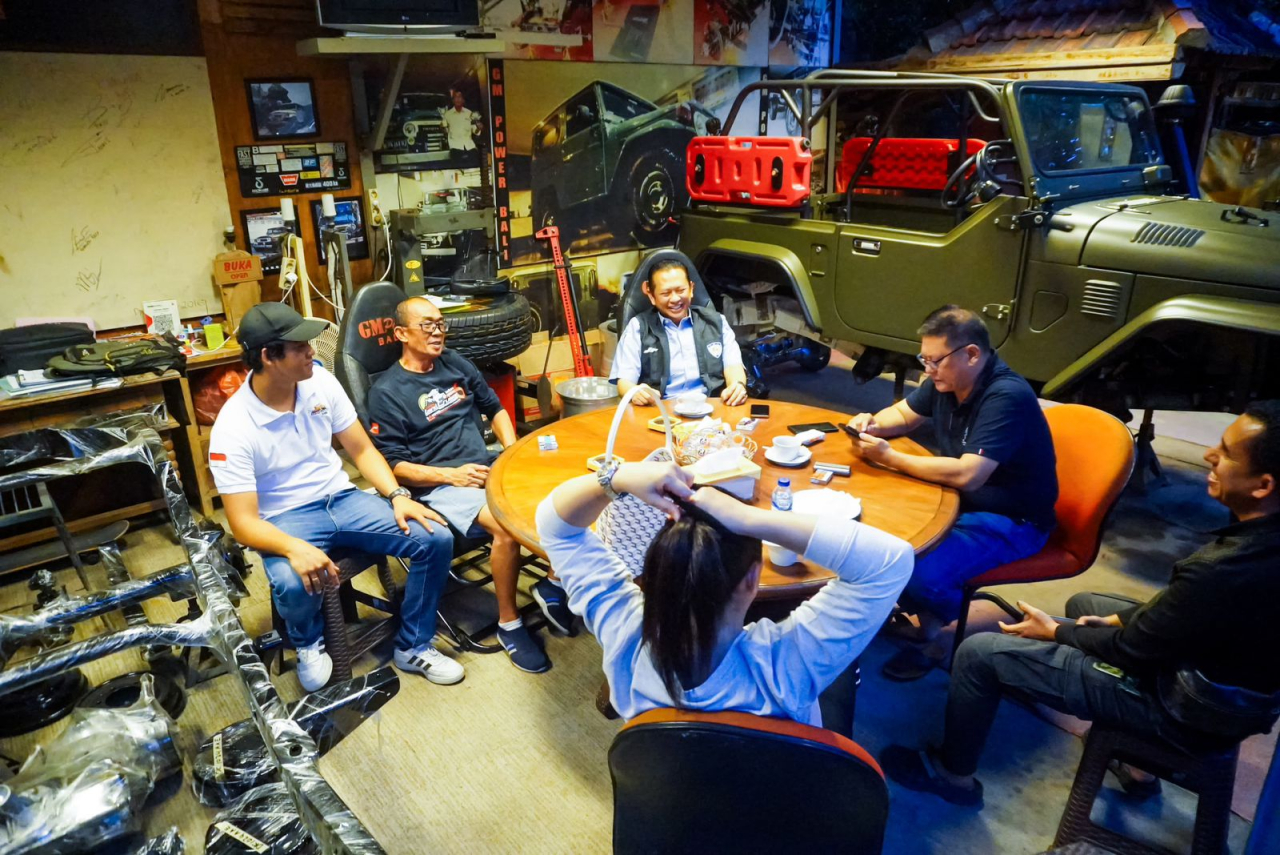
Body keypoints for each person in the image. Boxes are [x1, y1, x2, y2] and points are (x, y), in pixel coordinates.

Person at [880, 402, 1280, 807]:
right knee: (1087, 603)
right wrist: (1106, 621)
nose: (1210, 456)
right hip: (1226, 681)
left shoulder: (1224, 570)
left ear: (1263, 485)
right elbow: (1183, 611)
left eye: (1227, 453)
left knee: (980, 653)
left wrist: (1055, 632)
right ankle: (1139, 766)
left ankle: (953, 776)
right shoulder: (1260, 544)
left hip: (1188, 707)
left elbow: (1133, 649)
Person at [536, 460, 913, 723]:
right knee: (846, 674)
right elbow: (889, 561)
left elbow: (555, 526)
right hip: (776, 800)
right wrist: (751, 519)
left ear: (657, 572)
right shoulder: (787, 663)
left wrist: (617, 477)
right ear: (753, 579)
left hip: (680, 797)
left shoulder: (625, 635)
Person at [210, 303, 464, 691]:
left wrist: (397, 495)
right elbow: (242, 523)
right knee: (294, 582)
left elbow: (361, 450)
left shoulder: (321, 383)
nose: (313, 351)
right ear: (268, 357)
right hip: (284, 519)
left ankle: (413, 645)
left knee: (434, 537)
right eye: (300, 347)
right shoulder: (233, 427)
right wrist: (293, 548)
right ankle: (309, 642)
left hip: (343, 498)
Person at [846, 305, 1058, 681]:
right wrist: (873, 423)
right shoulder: (947, 380)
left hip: (1013, 519)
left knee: (916, 568)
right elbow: (905, 415)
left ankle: (939, 632)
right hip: (960, 501)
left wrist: (890, 457)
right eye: (923, 360)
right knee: (873, 530)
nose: (927, 370)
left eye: (934, 361)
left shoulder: (1005, 396)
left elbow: (969, 473)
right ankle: (923, 615)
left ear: (972, 354)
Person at [366, 296, 573, 674]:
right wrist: (450, 475)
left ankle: (553, 583)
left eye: (440, 324)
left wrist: (513, 455)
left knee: (564, 492)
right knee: (507, 527)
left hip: (488, 465)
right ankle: (510, 626)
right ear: (401, 333)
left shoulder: (454, 363)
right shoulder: (387, 392)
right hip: (441, 486)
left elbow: (494, 407)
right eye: (426, 325)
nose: (437, 332)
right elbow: (393, 466)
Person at [611, 258, 749, 407]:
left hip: (711, 407)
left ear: (691, 289)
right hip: (660, 411)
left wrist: (737, 385)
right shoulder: (638, 327)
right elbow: (624, 382)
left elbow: (733, 366)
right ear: (651, 296)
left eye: (681, 290)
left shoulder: (716, 321)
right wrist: (636, 392)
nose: (675, 299)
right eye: (665, 293)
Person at [443, 89, 481, 159]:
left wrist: (479, 128)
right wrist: (443, 128)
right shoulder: (447, 114)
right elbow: (445, 130)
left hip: (470, 147)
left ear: (463, 100)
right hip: (455, 148)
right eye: (456, 97)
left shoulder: (469, 113)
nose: (458, 99)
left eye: (460, 97)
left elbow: (476, 132)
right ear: (453, 100)